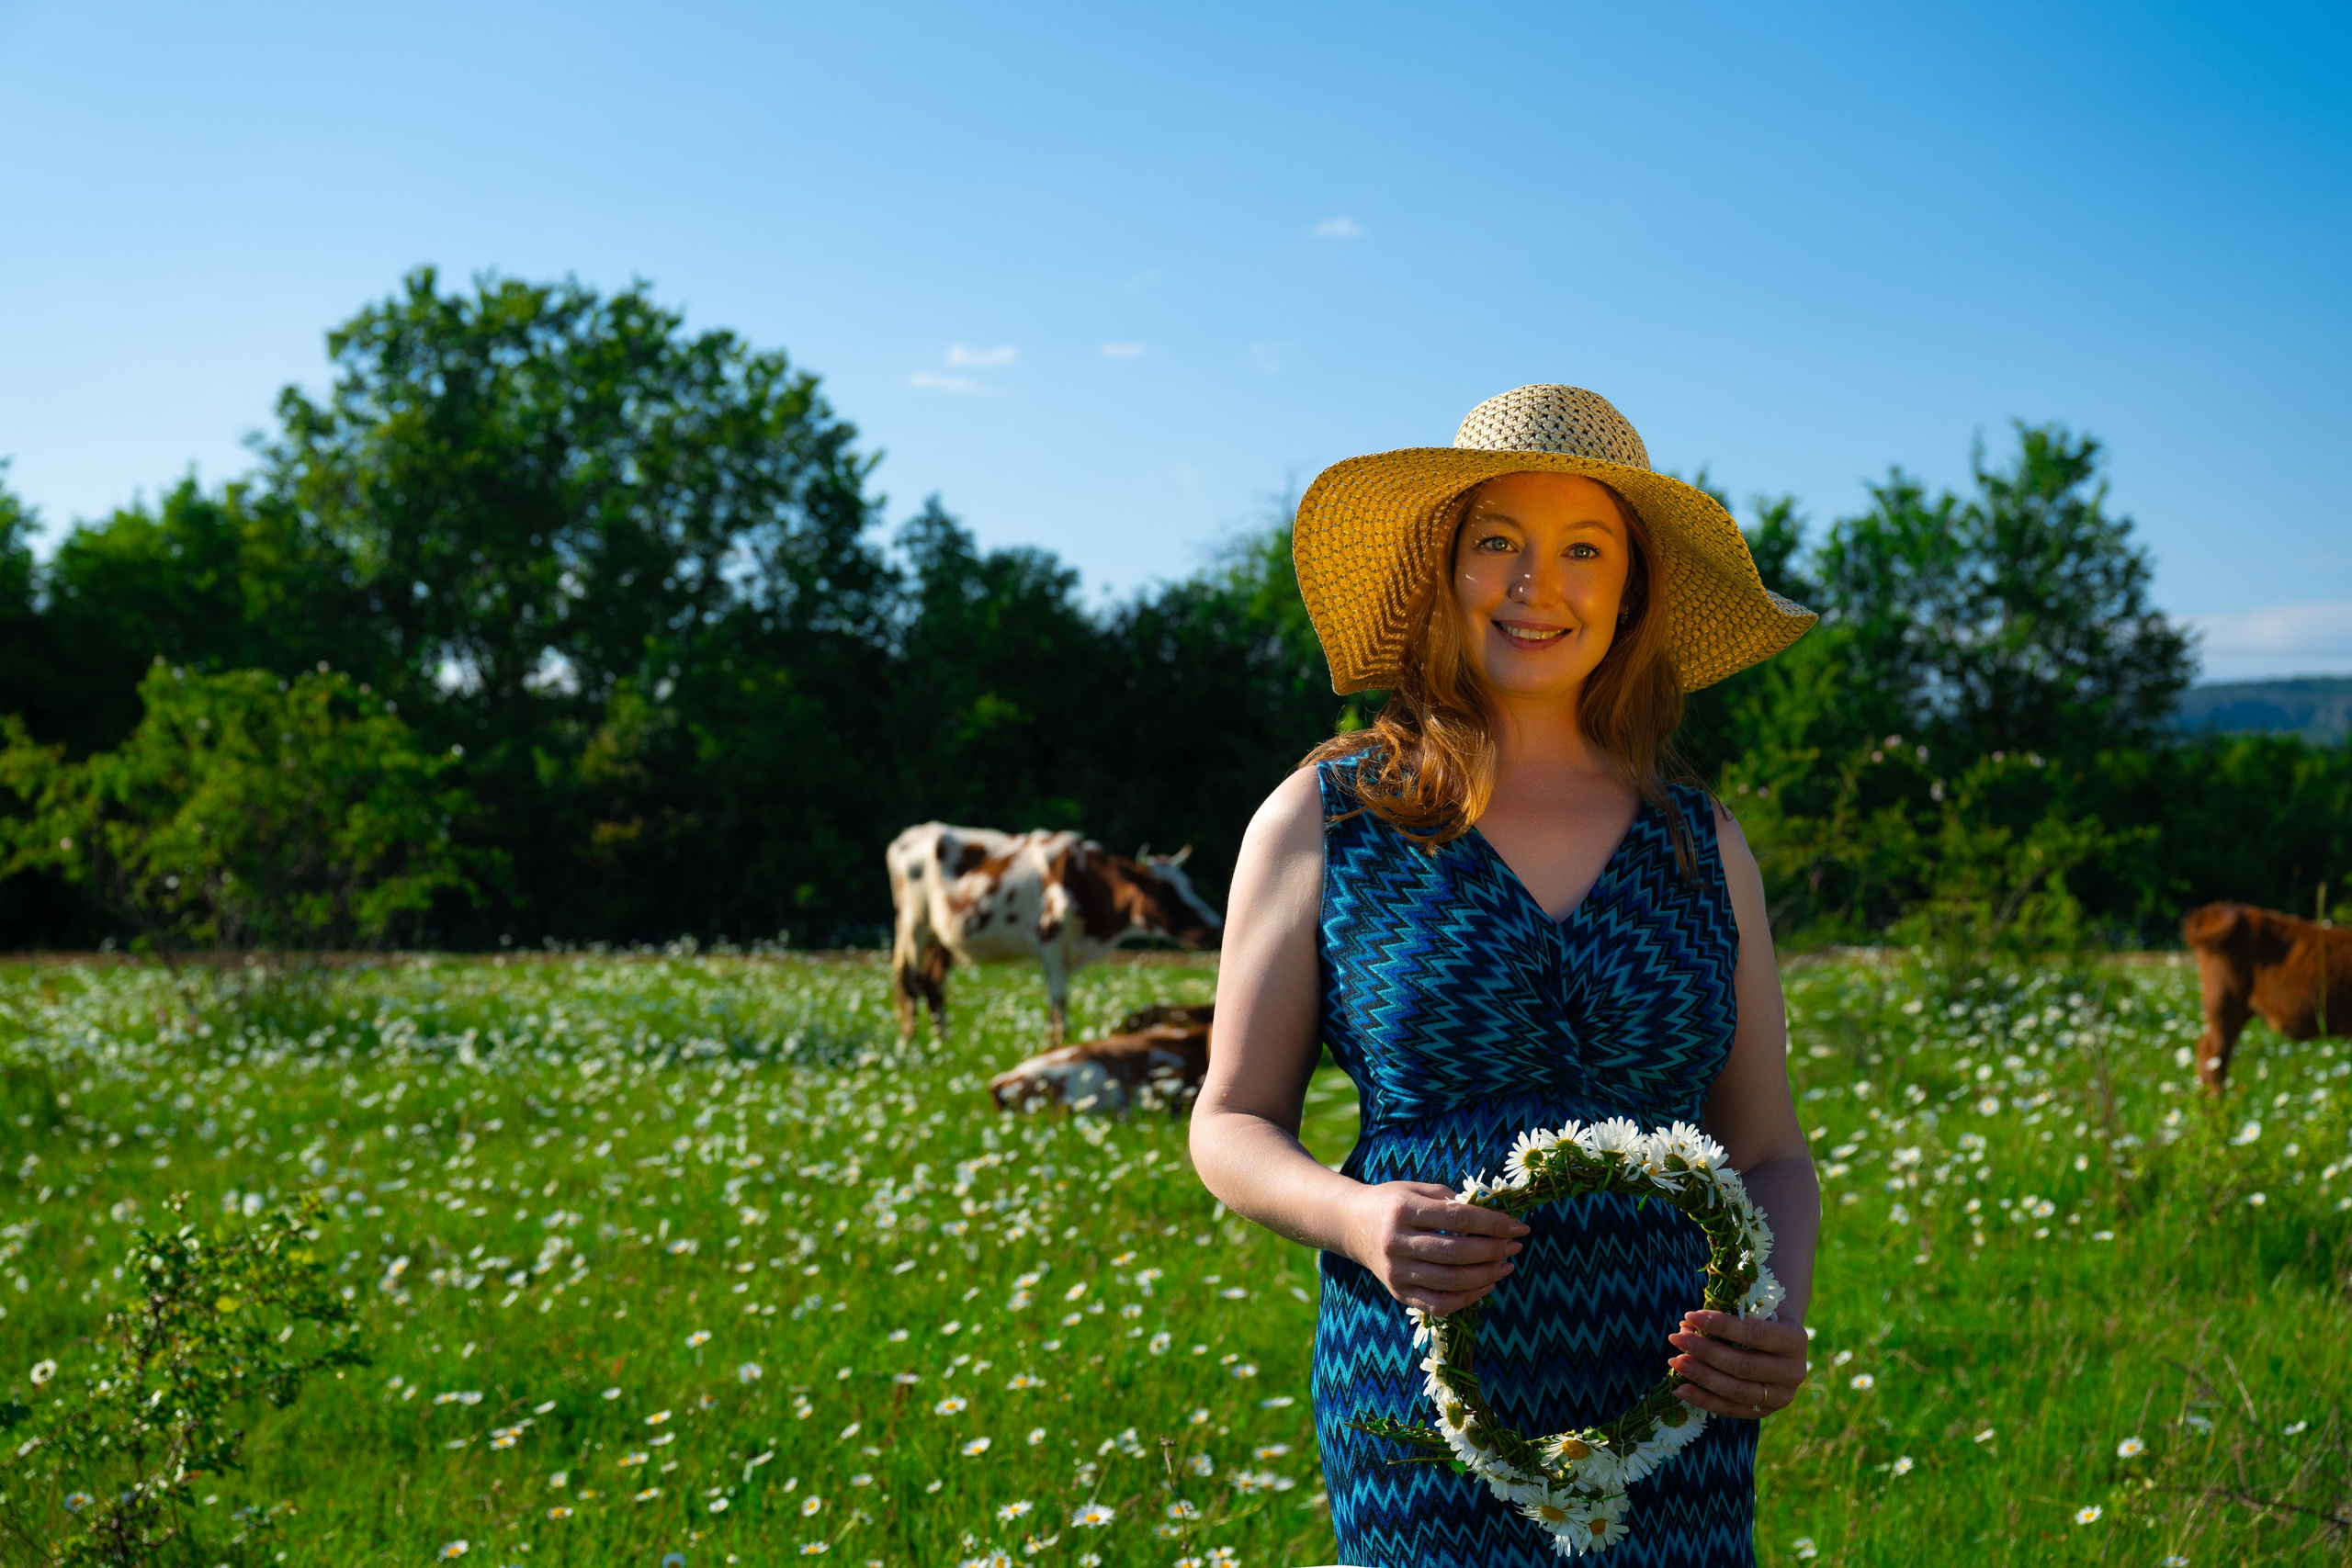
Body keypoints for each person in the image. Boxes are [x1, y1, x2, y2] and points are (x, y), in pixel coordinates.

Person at [1190, 385, 1822, 1568]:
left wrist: (1772, 1312)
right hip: (1421, 1399)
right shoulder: (1329, 818)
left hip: (1676, 1404)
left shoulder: (1700, 840)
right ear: (1443, 571)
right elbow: (1228, 1122)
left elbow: (1770, 1150)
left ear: (1630, 593)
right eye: (1498, 543)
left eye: (1584, 550)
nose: (1537, 585)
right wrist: (1358, 1219)